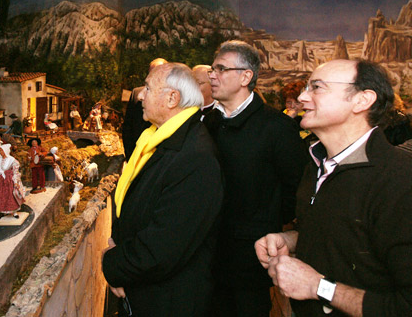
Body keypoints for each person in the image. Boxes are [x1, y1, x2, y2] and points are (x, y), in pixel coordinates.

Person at [255, 59, 412, 317]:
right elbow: (347, 232)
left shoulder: (399, 180)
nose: (303, 97)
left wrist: (318, 287)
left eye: (317, 87)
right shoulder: (316, 164)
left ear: (362, 100)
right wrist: (293, 240)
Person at [102, 63, 224, 316]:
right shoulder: (161, 139)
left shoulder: (194, 157)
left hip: (168, 300)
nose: (141, 95)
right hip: (148, 291)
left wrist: (111, 263)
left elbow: (162, 247)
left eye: (147, 88)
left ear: (172, 98)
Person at [204, 40, 308, 316]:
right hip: (206, 255)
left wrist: (268, 220)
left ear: (245, 77)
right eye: (212, 69)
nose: (212, 75)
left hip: (250, 259)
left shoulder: (277, 127)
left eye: (221, 69)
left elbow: (294, 187)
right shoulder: (206, 124)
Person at [121, 57, 168, 159]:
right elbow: (127, 128)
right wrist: (131, 157)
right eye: (152, 72)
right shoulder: (137, 94)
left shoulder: (172, 98)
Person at [0, 143, 25, 216]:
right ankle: (5, 210)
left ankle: (14, 212)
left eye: (2, 151)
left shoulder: (12, 160)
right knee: (2, 195)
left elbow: (15, 171)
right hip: (0, 180)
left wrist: (16, 181)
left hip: (9, 179)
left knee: (10, 195)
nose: (1, 152)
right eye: (0, 151)